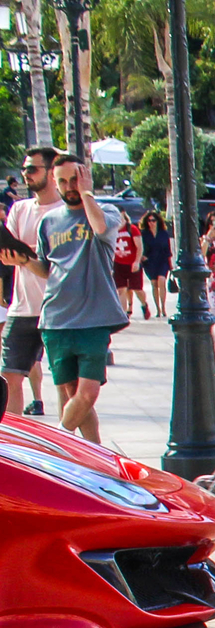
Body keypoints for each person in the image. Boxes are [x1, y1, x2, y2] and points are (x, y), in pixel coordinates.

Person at [17, 158, 128, 442]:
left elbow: (101, 229)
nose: (69, 187)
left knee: (87, 393)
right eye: (63, 181)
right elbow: (46, 267)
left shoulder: (107, 211)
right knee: (72, 396)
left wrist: (88, 194)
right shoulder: (49, 222)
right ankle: (96, 457)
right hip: (56, 319)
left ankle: (54, 442)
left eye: (74, 180)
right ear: (55, 182)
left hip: (95, 318)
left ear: (85, 179)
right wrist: (24, 261)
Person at [4, 147, 60, 418]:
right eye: (24, 169)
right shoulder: (20, 208)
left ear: (52, 172)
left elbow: (58, 263)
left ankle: (79, 447)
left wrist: (25, 256)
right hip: (22, 307)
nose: (26, 174)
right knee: (8, 377)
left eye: (33, 169)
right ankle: (15, 444)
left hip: (59, 310)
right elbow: (10, 255)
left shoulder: (65, 211)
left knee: (67, 385)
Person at [139, 210, 174, 318]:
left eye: (153, 220)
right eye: (149, 221)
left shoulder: (163, 233)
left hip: (162, 260)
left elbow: (168, 249)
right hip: (150, 262)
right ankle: (158, 309)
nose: (151, 223)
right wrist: (142, 257)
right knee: (154, 284)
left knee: (161, 281)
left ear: (157, 221)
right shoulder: (144, 234)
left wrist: (171, 264)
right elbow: (140, 247)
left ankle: (163, 308)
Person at [111, 215, 144, 318]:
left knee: (137, 289)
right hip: (118, 263)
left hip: (132, 263)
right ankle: (123, 314)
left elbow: (139, 247)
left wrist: (137, 262)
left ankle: (144, 304)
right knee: (121, 290)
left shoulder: (132, 229)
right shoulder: (112, 231)